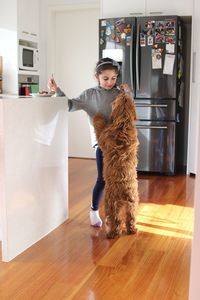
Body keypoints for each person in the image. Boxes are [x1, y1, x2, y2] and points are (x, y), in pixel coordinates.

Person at [48, 57, 131, 227]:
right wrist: (58, 91)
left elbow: (129, 112)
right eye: (105, 78)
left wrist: (128, 93)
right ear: (97, 77)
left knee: (117, 181)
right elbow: (69, 105)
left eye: (113, 78)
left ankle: (112, 213)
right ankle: (93, 210)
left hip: (119, 143)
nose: (110, 82)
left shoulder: (119, 94)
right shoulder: (89, 95)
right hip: (101, 143)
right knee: (103, 178)